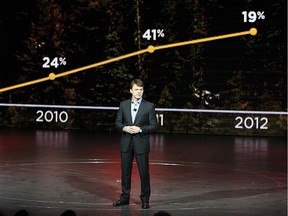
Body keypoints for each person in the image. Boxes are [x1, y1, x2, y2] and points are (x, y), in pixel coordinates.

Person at [113, 79, 158, 209]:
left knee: (144, 173)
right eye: (136, 89)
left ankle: (145, 199)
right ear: (131, 90)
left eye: (141, 89)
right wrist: (124, 128)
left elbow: (154, 125)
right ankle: (125, 198)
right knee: (125, 172)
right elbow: (117, 122)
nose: (139, 92)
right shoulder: (123, 104)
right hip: (126, 142)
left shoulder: (149, 106)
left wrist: (141, 129)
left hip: (141, 143)